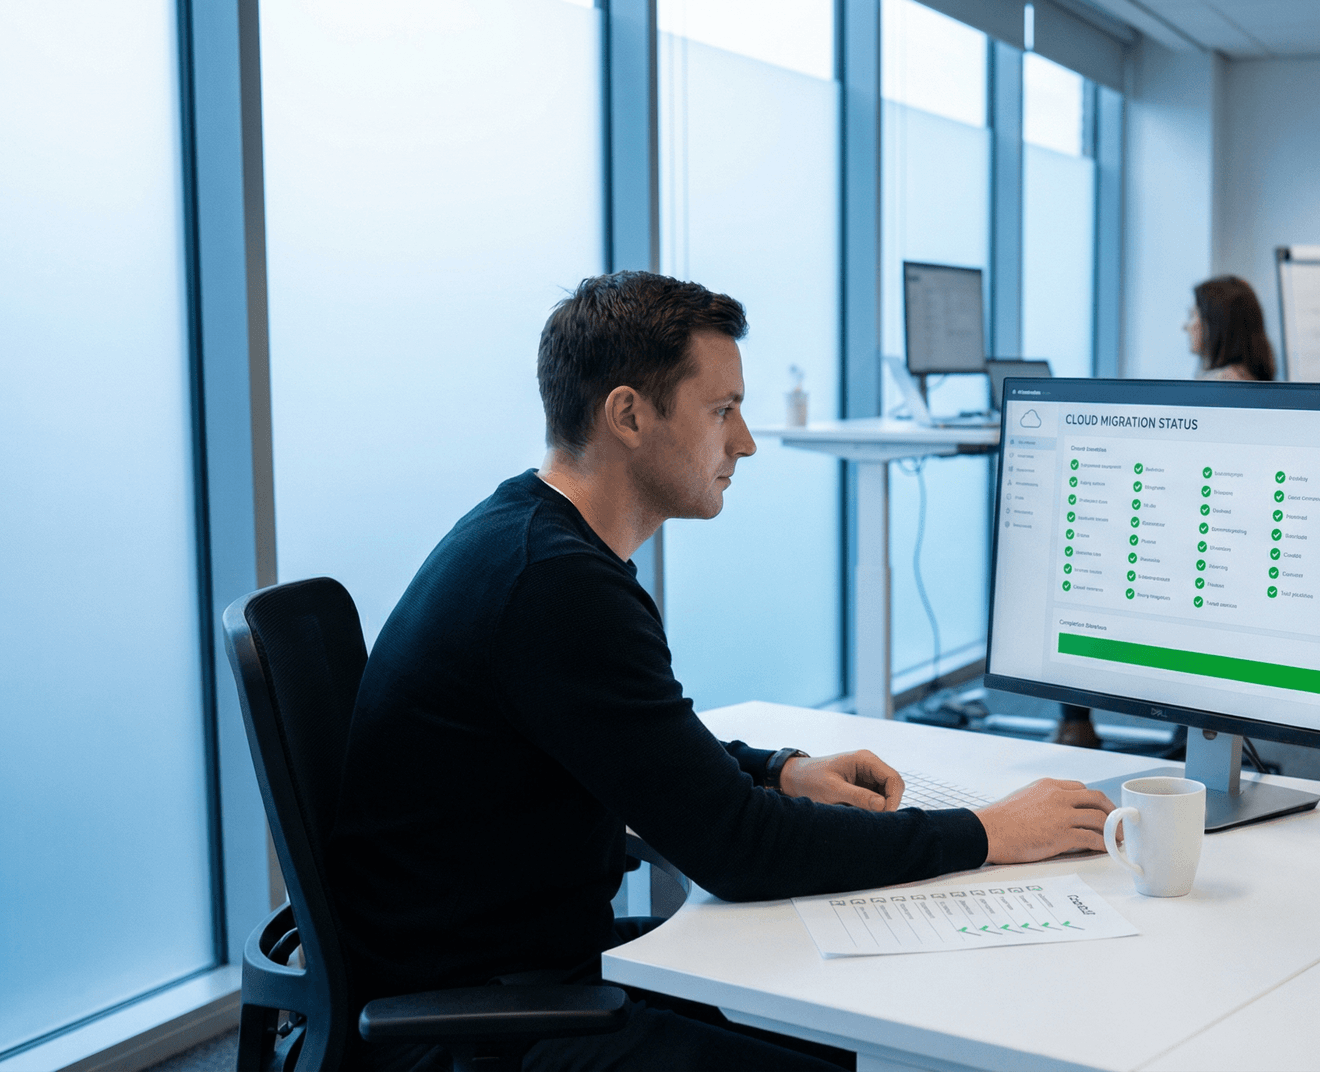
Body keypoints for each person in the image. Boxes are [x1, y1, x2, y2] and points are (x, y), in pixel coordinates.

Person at [329, 271, 1116, 1071]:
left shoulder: (528, 538)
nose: (743, 442)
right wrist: (989, 833)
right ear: (629, 414)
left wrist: (780, 771)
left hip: (509, 971)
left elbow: (634, 745)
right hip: (480, 1022)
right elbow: (738, 852)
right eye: (722, 411)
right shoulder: (554, 585)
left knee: (837, 1025)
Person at [1051, 276, 1281, 749]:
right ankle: (1185, 729)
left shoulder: (1218, 390)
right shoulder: (1260, 387)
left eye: (1193, 316)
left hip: (1192, 557)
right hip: (1229, 561)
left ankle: (1077, 723)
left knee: (1079, 568)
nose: (1186, 326)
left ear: (1215, 326)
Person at [1186, 276, 1277, 382]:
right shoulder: (1253, 383)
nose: (1186, 326)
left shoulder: (1216, 385)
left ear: (1216, 321)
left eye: (1192, 315)